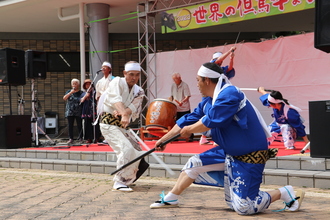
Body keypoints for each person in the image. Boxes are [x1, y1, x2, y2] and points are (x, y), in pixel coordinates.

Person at [149, 62, 304, 215]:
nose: (196, 84)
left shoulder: (230, 94)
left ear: (207, 80)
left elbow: (211, 121)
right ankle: (172, 198)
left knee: (244, 207)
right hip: (229, 151)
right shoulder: (208, 100)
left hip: (249, 155)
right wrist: (165, 140)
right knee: (194, 164)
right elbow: (188, 119)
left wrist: (189, 130)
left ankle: (285, 192)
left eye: (198, 80)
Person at [99, 61, 148, 192]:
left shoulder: (139, 91)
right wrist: (122, 112)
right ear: (124, 73)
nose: (134, 78)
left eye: (137, 75)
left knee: (137, 151)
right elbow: (115, 99)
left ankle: (128, 180)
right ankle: (119, 181)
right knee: (126, 149)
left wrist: (122, 112)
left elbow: (133, 108)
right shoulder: (117, 82)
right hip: (108, 123)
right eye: (131, 74)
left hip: (122, 125)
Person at [200, 46, 237, 145]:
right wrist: (229, 51)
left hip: (218, 95)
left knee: (218, 113)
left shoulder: (221, 69)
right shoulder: (210, 65)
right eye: (218, 60)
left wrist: (231, 58)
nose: (220, 62)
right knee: (211, 113)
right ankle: (208, 137)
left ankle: (208, 137)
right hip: (209, 95)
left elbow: (230, 68)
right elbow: (218, 60)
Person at [169, 72, 194, 142]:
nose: (174, 81)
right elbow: (172, 96)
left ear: (180, 78)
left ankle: (190, 136)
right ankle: (175, 137)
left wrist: (182, 102)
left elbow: (187, 96)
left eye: (175, 79)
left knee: (187, 122)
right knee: (176, 122)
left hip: (184, 107)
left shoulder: (185, 85)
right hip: (176, 107)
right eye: (173, 79)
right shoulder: (173, 85)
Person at [63, 78, 83, 144]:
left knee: (79, 124)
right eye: (73, 84)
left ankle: (80, 138)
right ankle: (71, 138)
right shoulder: (69, 91)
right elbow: (64, 98)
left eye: (76, 84)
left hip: (78, 111)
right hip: (70, 111)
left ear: (78, 85)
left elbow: (82, 100)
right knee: (70, 125)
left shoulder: (81, 92)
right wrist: (70, 92)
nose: (74, 85)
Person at [80, 79, 99, 144]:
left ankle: (96, 137)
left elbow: (97, 99)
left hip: (93, 109)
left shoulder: (95, 92)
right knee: (87, 124)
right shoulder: (83, 93)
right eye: (87, 84)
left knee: (95, 124)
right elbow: (81, 101)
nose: (88, 86)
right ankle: (89, 138)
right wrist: (86, 95)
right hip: (86, 110)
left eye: (89, 84)